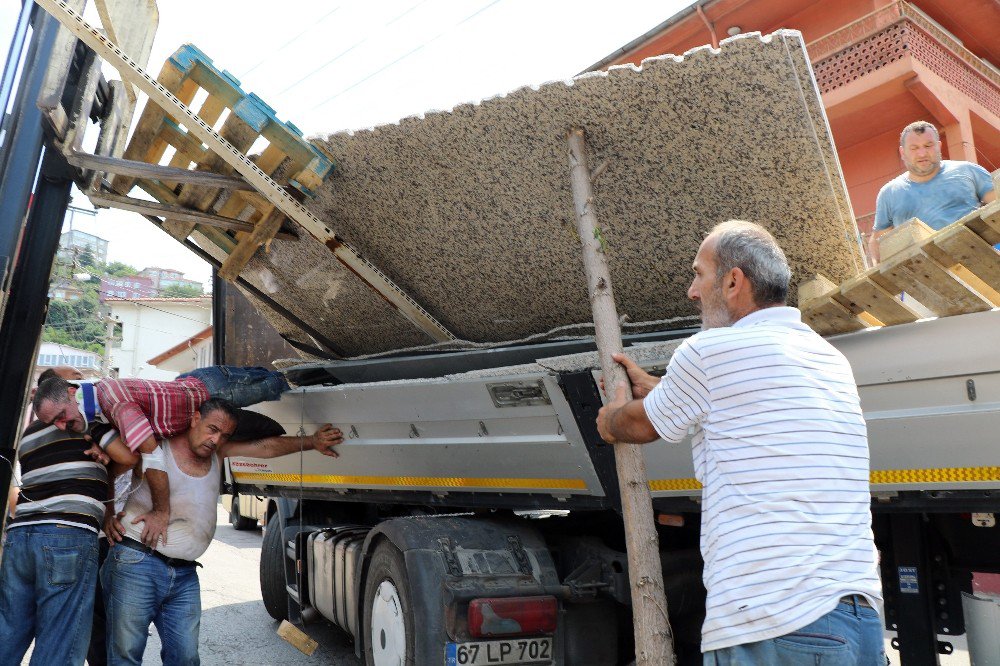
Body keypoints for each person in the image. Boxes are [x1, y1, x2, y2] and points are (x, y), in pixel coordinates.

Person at [596, 221, 884, 663]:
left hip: (775, 620)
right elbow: (733, 404)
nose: (693, 291)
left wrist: (611, 413)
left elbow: (636, 428)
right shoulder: (826, 356)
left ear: (733, 281)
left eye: (699, 274)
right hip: (855, 613)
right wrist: (662, 388)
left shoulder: (710, 350)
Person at [101, 398, 342, 665]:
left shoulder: (217, 453)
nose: (215, 439)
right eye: (211, 429)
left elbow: (265, 447)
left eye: (224, 435)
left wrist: (311, 442)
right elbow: (109, 472)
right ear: (194, 419)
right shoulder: (157, 446)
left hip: (184, 573)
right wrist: (107, 515)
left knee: (185, 657)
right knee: (125, 654)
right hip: (137, 564)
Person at [31, 366, 301, 547]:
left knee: (277, 384)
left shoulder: (115, 402)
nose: (60, 425)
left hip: (212, 389)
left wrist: (161, 512)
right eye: (53, 423)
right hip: (193, 394)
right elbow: (122, 460)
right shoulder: (94, 415)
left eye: (60, 417)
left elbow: (152, 456)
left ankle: (306, 371)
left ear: (71, 393)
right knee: (265, 412)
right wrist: (109, 512)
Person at [0, 365, 136, 666]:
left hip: (20, 537)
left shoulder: (27, 435)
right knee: (60, 639)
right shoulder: (85, 419)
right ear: (69, 390)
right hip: (66, 535)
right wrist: (108, 460)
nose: (63, 424)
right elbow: (131, 456)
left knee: (8, 631)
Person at [868, 120, 996, 263]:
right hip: (930, 276)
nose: (922, 153)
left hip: (985, 260)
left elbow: (996, 209)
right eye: (914, 148)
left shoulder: (969, 171)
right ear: (902, 152)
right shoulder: (889, 193)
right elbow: (878, 241)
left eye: (928, 146)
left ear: (939, 146)